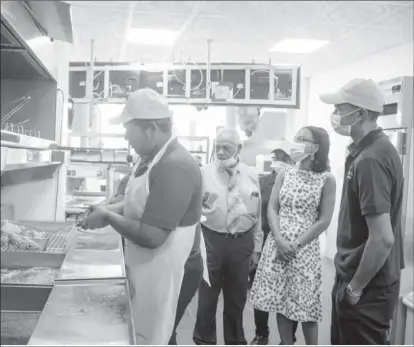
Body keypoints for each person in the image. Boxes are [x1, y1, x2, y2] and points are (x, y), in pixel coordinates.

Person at [79, 88, 203, 345]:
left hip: (165, 270)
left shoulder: (175, 166)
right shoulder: (149, 159)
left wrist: (108, 218)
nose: (125, 136)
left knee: (153, 335)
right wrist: (108, 210)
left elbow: (152, 236)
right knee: (141, 333)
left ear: (151, 129)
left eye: (128, 128)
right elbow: (139, 203)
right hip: (147, 265)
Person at [320, 78, 405, 345]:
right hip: (367, 277)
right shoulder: (371, 150)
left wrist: (355, 288)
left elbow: (382, 238)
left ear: (360, 114)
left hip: (367, 285)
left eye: (339, 108)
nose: (335, 115)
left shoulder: (370, 160)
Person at [249, 126, 337, 345]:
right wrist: (278, 239)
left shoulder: (326, 179)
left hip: (304, 250)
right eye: (296, 137)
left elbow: (324, 220)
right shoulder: (284, 173)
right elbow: (272, 207)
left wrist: (296, 245)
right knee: (281, 301)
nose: (296, 141)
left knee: (304, 304)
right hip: (277, 245)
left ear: (316, 147)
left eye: (302, 139)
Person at [193, 128, 263, 345]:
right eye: (218, 147)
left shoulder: (251, 174)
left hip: (241, 241)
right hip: (210, 239)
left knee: (236, 299)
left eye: (227, 147)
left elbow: (257, 213)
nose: (221, 152)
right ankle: (204, 340)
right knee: (207, 297)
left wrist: (257, 247)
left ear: (239, 148)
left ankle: (235, 341)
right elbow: (192, 213)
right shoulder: (203, 173)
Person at [249, 148, 299, 345]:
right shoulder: (263, 183)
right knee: (260, 289)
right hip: (265, 241)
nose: (279, 161)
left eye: (284, 158)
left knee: (291, 291)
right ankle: (262, 334)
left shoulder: (299, 181)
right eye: (276, 158)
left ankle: (288, 339)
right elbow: (256, 214)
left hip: (292, 245)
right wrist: (256, 246)